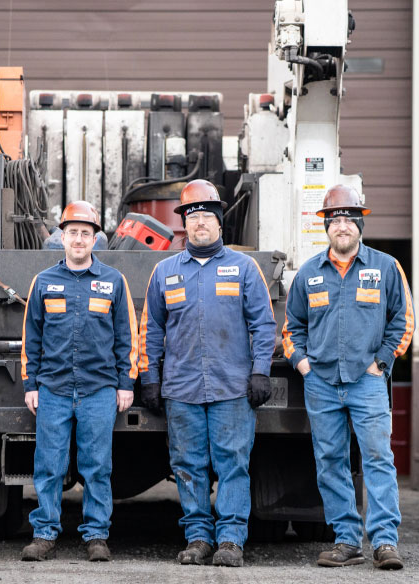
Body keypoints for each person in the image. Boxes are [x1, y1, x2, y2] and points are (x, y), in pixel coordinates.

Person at [138, 179, 277, 567]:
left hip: (232, 387)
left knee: (233, 463)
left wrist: (260, 372)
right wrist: (151, 378)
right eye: (193, 215)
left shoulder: (244, 268)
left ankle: (231, 539)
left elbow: (264, 325)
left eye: (207, 215)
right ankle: (198, 537)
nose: (200, 222)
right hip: (181, 390)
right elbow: (151, 328)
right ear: (185, 223)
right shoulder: (165, 272)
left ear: (220, 223)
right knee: (187, 465)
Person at [281, 185, 415, 570]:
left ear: (360, 225)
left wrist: (382, 363)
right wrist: (303, 365)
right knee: (330, 461)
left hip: (367, 381)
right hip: (321, 383)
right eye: (335, 219)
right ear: (326, 226)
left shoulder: (385, 268)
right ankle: (346, 540)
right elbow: (292, 329)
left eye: (348, 219)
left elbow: (403, 321)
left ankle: (385, 542)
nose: (342, 226)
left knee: (377, 459)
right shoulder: (309, 274)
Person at [19, 200, 139, 562]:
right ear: (61, 236)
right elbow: (32, 337)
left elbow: (126, 336)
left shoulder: (113, 281)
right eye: (72, 233)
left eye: (86, 234)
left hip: (99, 390)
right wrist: (31, 385)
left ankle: (97, 535)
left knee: (97, 466)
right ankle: (44, 534)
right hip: (53, 390)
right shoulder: (43, 282)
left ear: (95, 239)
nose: (79, 239)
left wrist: (125, 383)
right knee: (49, 466)